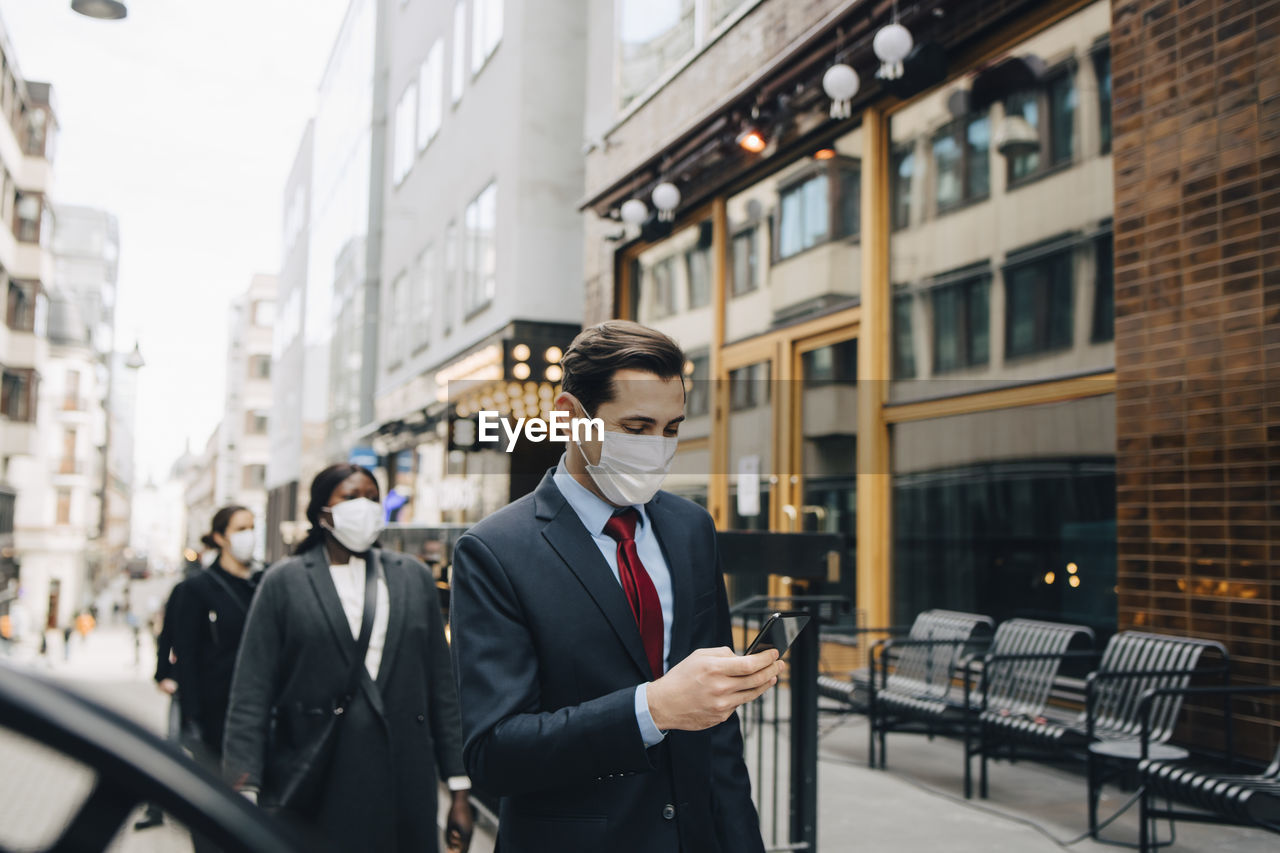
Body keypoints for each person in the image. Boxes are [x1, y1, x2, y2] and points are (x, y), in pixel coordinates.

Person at [450, 320, 782, 853]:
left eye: (671, 429)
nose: (658, 448)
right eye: (636, 427)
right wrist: (652, 709)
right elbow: (495, 752)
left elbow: (719, 741)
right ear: (569, 419)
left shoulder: (692, 529)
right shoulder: (495, 551)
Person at [223, 464, 473, 853]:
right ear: (323, 511)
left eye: (373, 499)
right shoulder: (285, 581)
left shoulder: (412, 577)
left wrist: (459, 788)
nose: (365, 507)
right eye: (351, 497)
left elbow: (442, 688)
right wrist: (243, 788)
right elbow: (250, 694)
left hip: (404, 780)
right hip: (316, 778)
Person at [169, 505, 259, 852]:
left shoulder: (263, 582)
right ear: (220, 537)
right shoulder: (197, 589)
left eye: (252, 527)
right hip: (213, 716)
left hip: (256, 715)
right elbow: (185, 655)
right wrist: (192, 719)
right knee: (214, 810)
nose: (248, 535)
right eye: (240, 528)